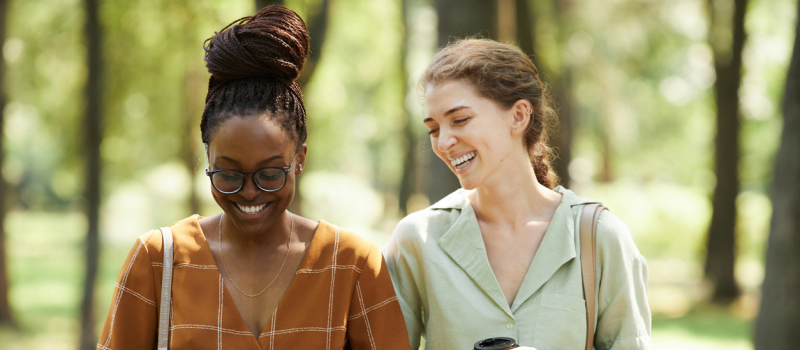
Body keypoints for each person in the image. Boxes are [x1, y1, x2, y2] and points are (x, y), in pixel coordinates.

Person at [97, 6, 410, 349]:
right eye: (229, 174)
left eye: (270, 173)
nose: (249, 193)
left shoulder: (353, 264)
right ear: (208, 161)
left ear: (299, 160)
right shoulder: (157, 259)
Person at [383, 38, 651, 350]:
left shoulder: (600, 238)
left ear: (519, 116)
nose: (443, 142)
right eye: (434, 129)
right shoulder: (418, 240)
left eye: (460, 120)